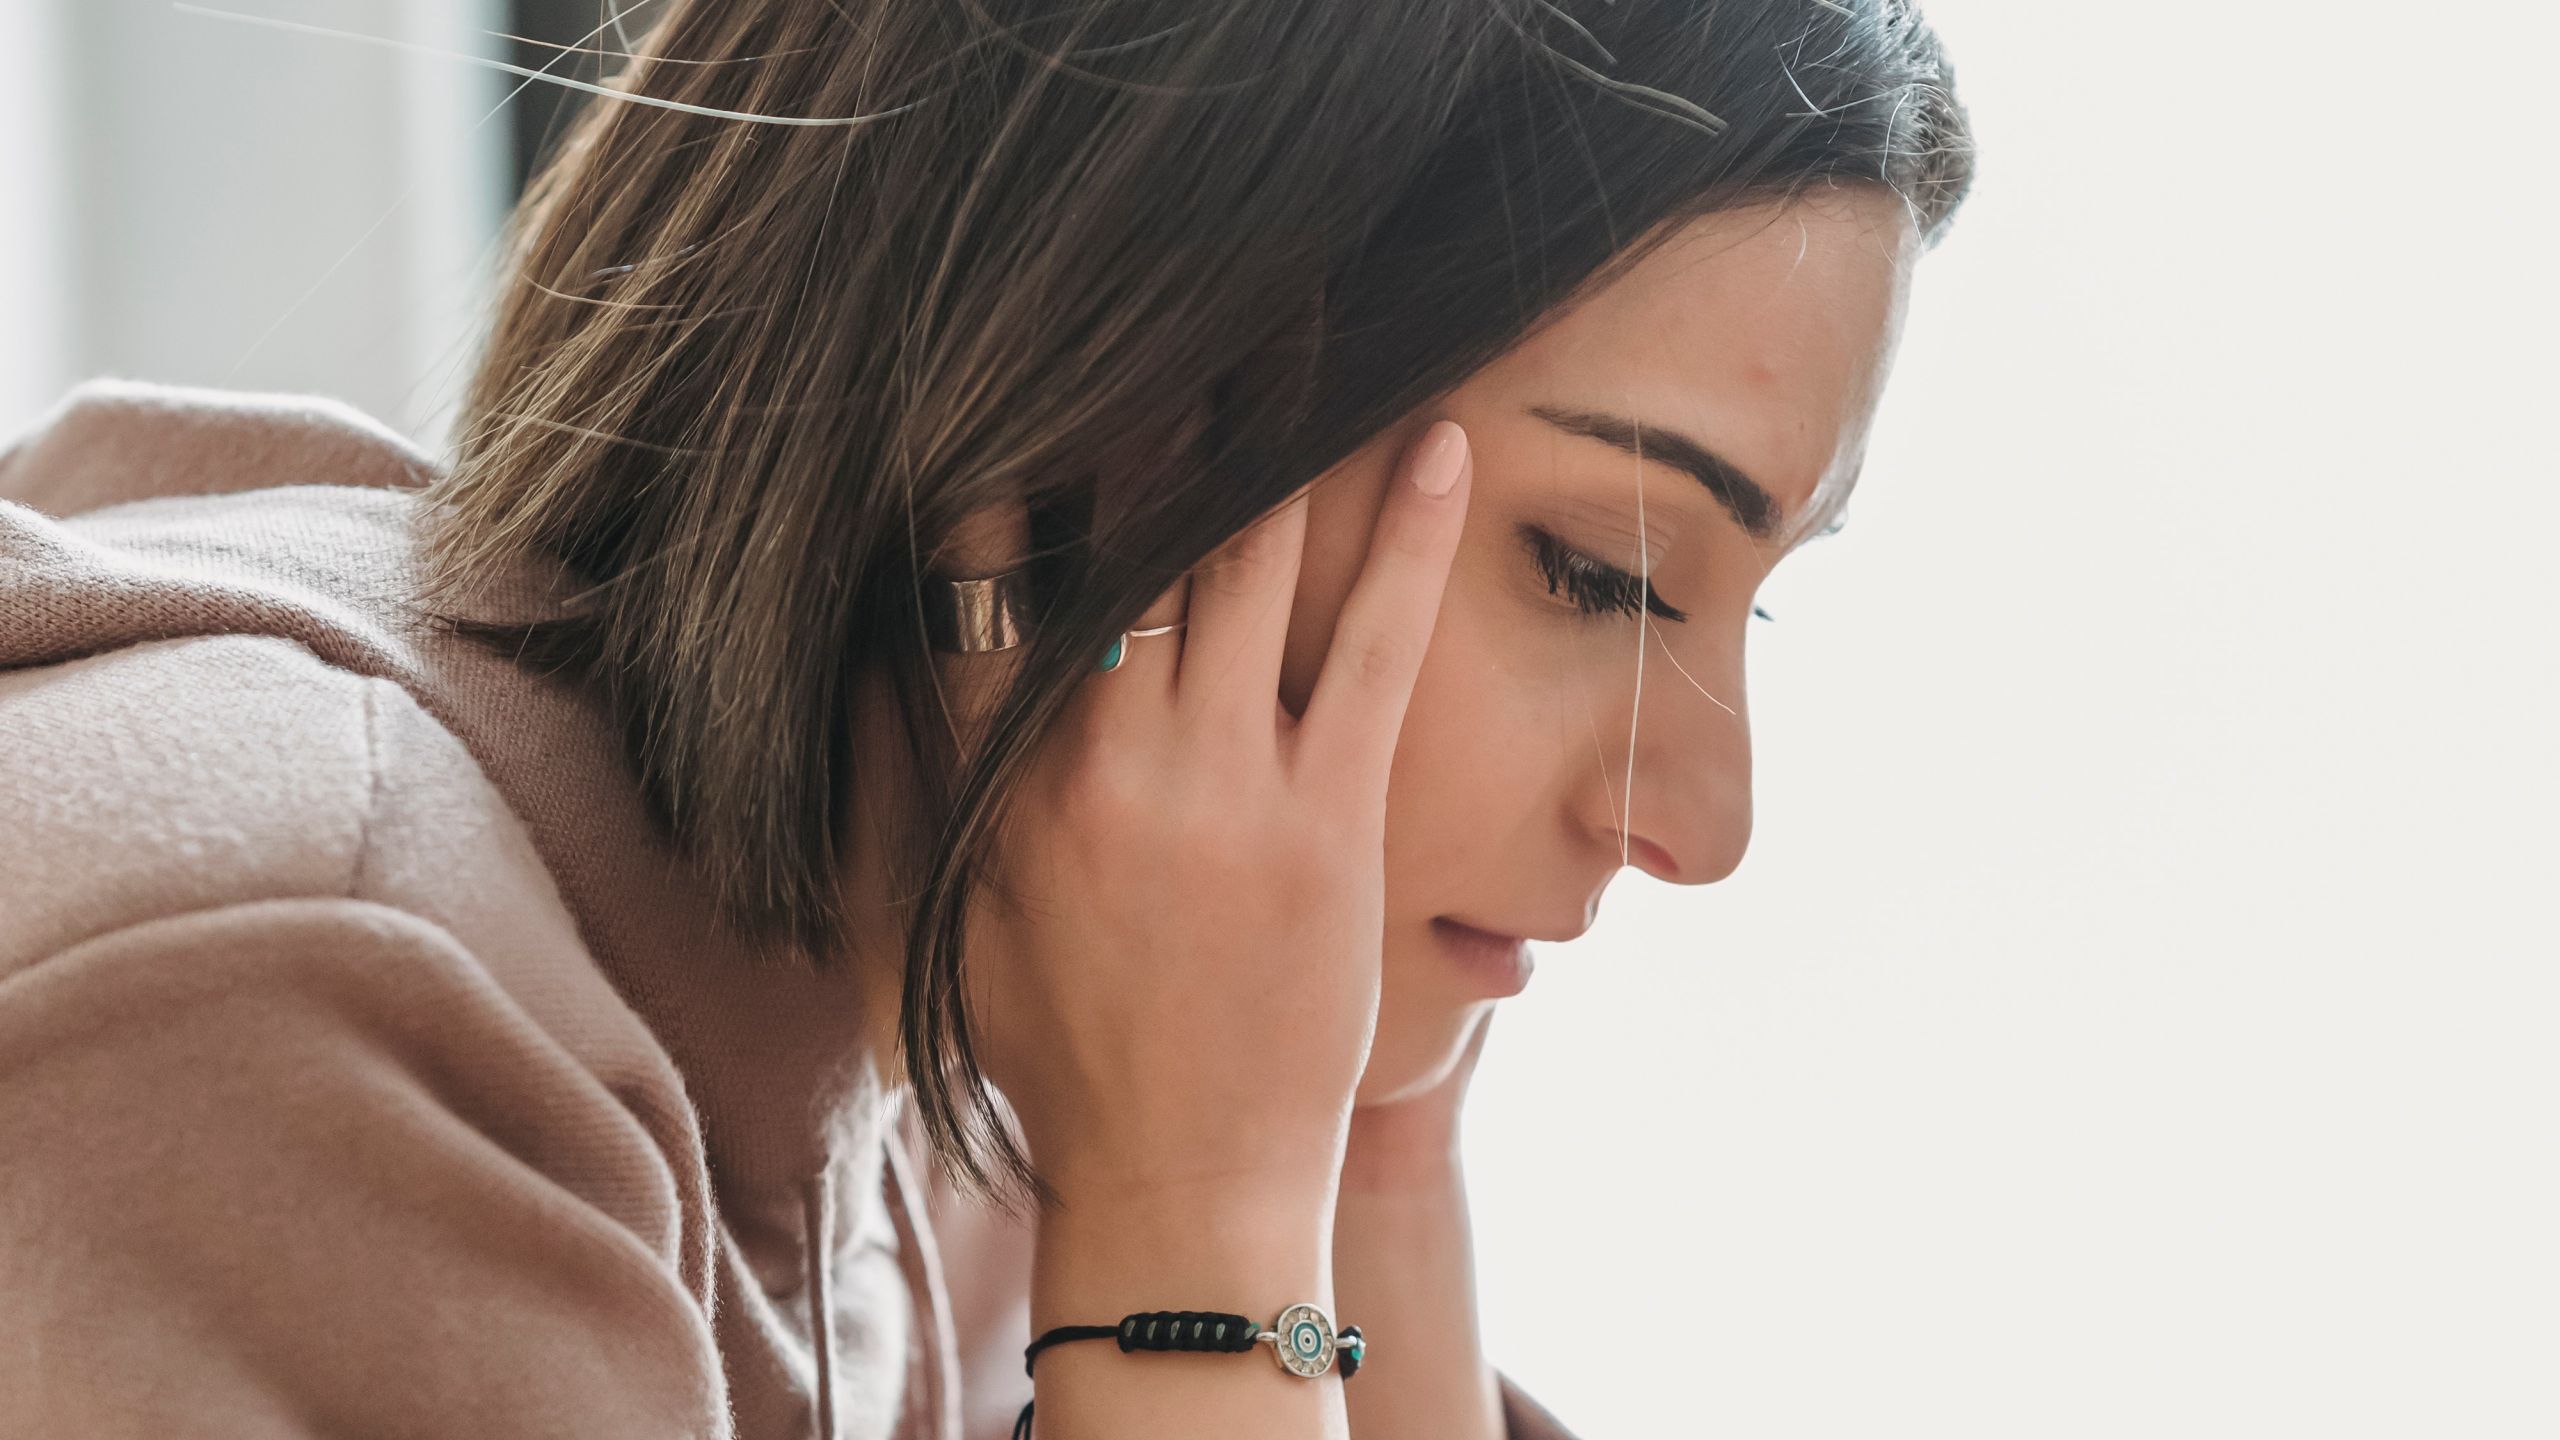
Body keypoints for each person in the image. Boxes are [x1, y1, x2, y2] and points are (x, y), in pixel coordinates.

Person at [0, 1, 1975, 1436]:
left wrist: (1360, 1186)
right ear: (1113, 419)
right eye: (1603, 571)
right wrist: (1191, 1272)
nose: (1700, 820)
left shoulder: (999, 1092)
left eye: (1750, 602)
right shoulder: (297, 1004)